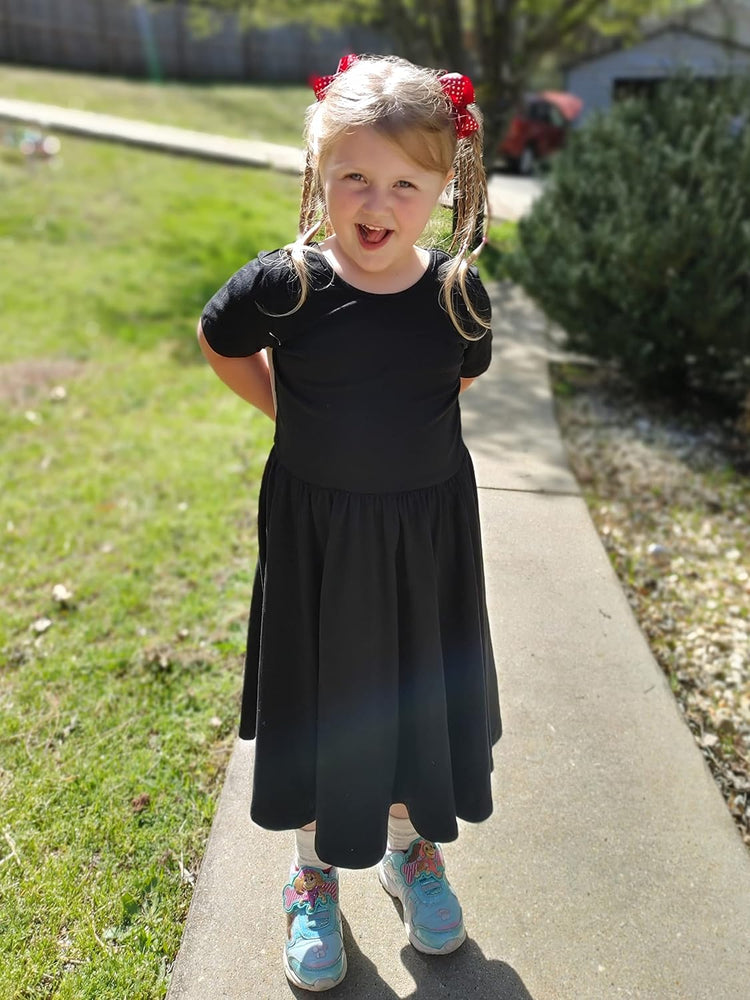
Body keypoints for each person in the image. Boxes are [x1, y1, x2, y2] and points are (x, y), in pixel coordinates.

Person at [197, 53, 502, 992]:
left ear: (444, 188)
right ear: (318, 170)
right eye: (354, 177)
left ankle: (409, 853)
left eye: (406, 184)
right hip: (318, 543)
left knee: (410, 695)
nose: (377, 204)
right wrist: (293, 415)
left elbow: (454, 381)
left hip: (423, 542)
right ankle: (314, 872)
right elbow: (218, 340)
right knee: (322, 700)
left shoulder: (456, 293)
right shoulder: (285, 286)